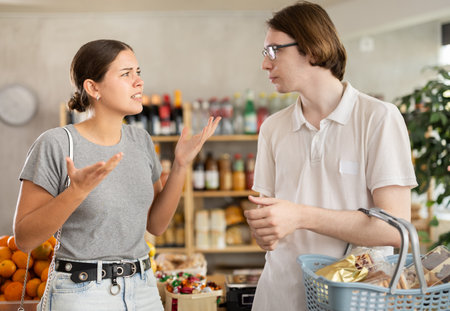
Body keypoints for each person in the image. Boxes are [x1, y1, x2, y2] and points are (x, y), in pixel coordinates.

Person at [13, 39, 220, 311]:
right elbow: (25, 239)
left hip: (143, 288)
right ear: (93, 87)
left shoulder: (141, 140)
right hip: (81, 291)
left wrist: (181, 165)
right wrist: (76, 193)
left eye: (138, 72)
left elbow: (156, 225)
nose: (139, 82)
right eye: (126, 74)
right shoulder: (57, 143)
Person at [243, 2, 417, 310]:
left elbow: (396, 229)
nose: (265, 65)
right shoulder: (272, 128)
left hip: (351, 299)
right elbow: (269, 227)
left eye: (273, 51)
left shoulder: (378, 118)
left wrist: (299, 216)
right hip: (278, 297)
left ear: (310, 49)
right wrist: (264, 227)